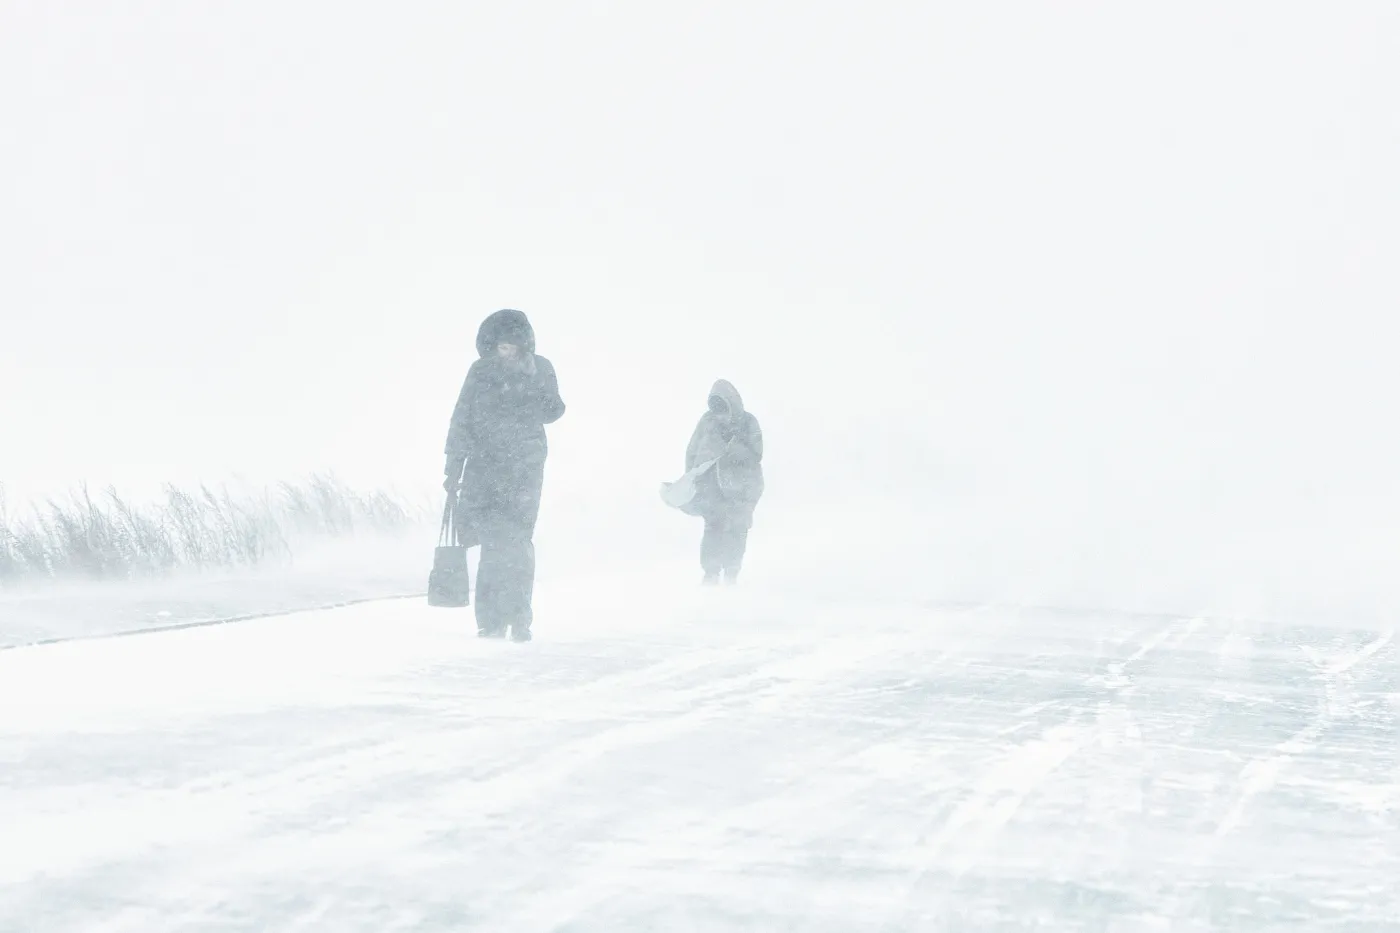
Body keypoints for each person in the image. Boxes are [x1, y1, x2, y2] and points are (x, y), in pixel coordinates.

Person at [444, 309, 565, 640]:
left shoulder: (540, 368)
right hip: (484, 468)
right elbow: (461, 417)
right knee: (492, 545)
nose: (506, 351)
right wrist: (453, 466)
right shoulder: (480, 371)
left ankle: (520, 619)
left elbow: (554, 411)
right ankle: (491, 622)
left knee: (518, 543)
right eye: (501, 346)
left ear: (523, 344)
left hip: (525, 469)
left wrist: (532, 390)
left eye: (511, 346)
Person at [684, 379, 764, 584]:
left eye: (723, 409)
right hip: (712, 487)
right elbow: (692, 450)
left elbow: (757, 453)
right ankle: (711, 573)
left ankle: (731, 573)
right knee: (713, 528)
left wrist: (732, 449)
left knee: (737, 529)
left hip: (743, 487)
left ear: (732, 404)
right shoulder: (707, 422)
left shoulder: (748, 422)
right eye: (716, 409)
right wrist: (690, 478)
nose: (720, 415)